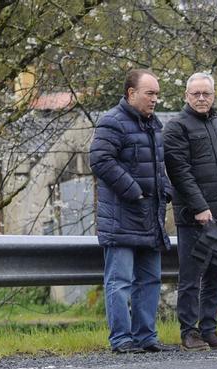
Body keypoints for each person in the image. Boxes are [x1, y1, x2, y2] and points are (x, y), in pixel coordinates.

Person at [89, 68, 173, 353]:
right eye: (150, 93)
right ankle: (122, 339)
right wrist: (134, 191)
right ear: (131, 93)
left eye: (157, 94)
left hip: (150, 217)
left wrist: (167, 190)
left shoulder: (153, 125)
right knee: (120, 282)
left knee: (150, 280)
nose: (155, 99)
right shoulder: (112, 122)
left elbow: (159, 166)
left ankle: (146, 337)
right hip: (122, 217)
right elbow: (100, 161)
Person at [163, 72, 217, 352]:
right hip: (194, 218)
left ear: (213, 95)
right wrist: (200, 207)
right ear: (186, 96)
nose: (201, 98)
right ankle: (189, 332)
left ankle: (209, 329)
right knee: (191, 276)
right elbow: (180, 173)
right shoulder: (176, 128)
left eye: (206, 93)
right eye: (195, 93)